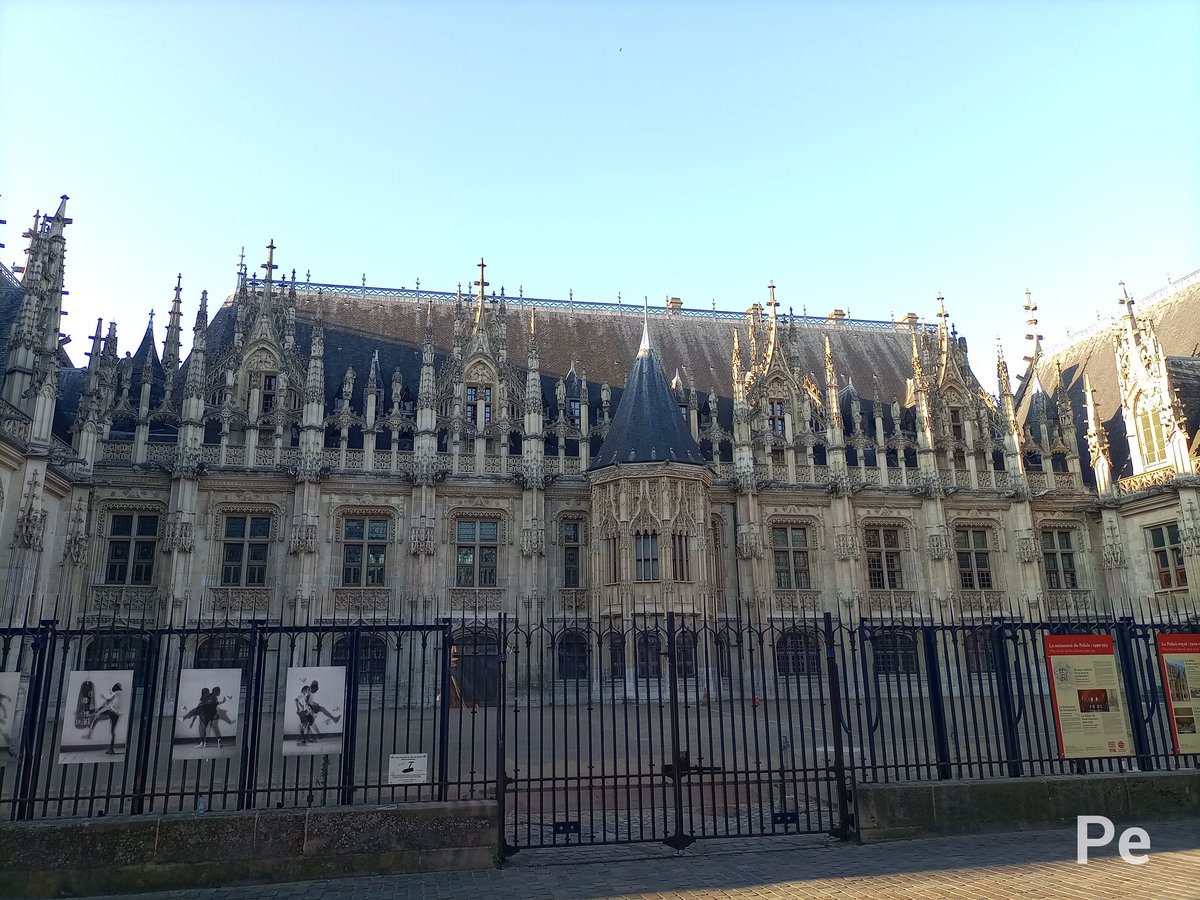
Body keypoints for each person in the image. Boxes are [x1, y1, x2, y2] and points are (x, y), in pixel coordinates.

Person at [85, 683, 126, 755]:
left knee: (97, 717)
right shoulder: (121, 694)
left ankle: (89, 733)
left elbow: (108, 701)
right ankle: (111, 749)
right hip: (117, 714)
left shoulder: (117, 692)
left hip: (112, 711)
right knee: (112, 731)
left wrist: (99, 708)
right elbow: (110, 700)